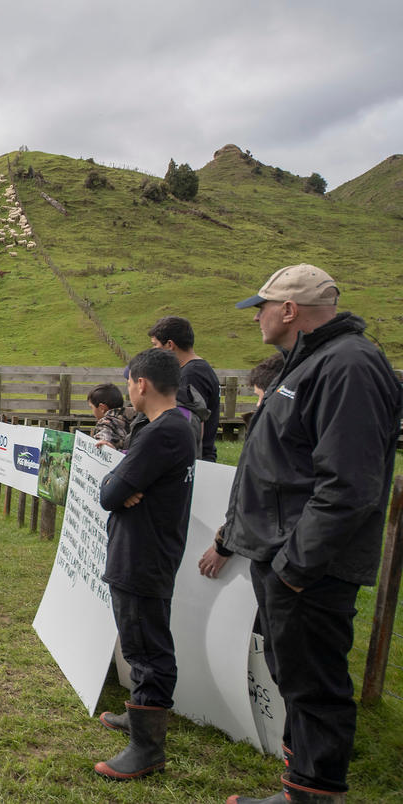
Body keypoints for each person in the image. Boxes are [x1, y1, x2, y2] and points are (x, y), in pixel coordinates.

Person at [221, 265, 401, 804]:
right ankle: (299, 788)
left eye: (263, 305)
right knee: (295, 678)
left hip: (306, 566)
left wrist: (295, 568)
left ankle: (316, 793)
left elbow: (349, 483)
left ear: (290, 309)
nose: (257, 315)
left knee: (316, 685)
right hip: (284, 557)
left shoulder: (348, 365)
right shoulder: (307, 363)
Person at [91, 348, 195, 781]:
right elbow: (120, 483)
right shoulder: (171, 426)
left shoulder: (160, 433)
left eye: (130, 382)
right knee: (139, 639)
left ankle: (147, 748)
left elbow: (110, 493)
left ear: (141, 384)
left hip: (143, 554)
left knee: (147, 649)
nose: (129, 389)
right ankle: (139, 719)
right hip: (146, 549)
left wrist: (118, 484)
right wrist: (121, 481)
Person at [197, 352, 285, 581]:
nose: (258, 405)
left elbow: (255, 488)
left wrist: (224, 544)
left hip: (274, 557)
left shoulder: (273, 433)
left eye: (259, 397)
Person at [148, 316, 221, 461]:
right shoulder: (198, 369)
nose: (153, 350)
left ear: (170, 344)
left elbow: (192, 424)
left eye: (155, 345)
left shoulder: (191, 375)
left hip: (196, 459)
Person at [87, 383, 131, 450]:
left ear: (102, 408)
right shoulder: (134, 418)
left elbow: (103, 437)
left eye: (91, 407)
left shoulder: (105, 424)